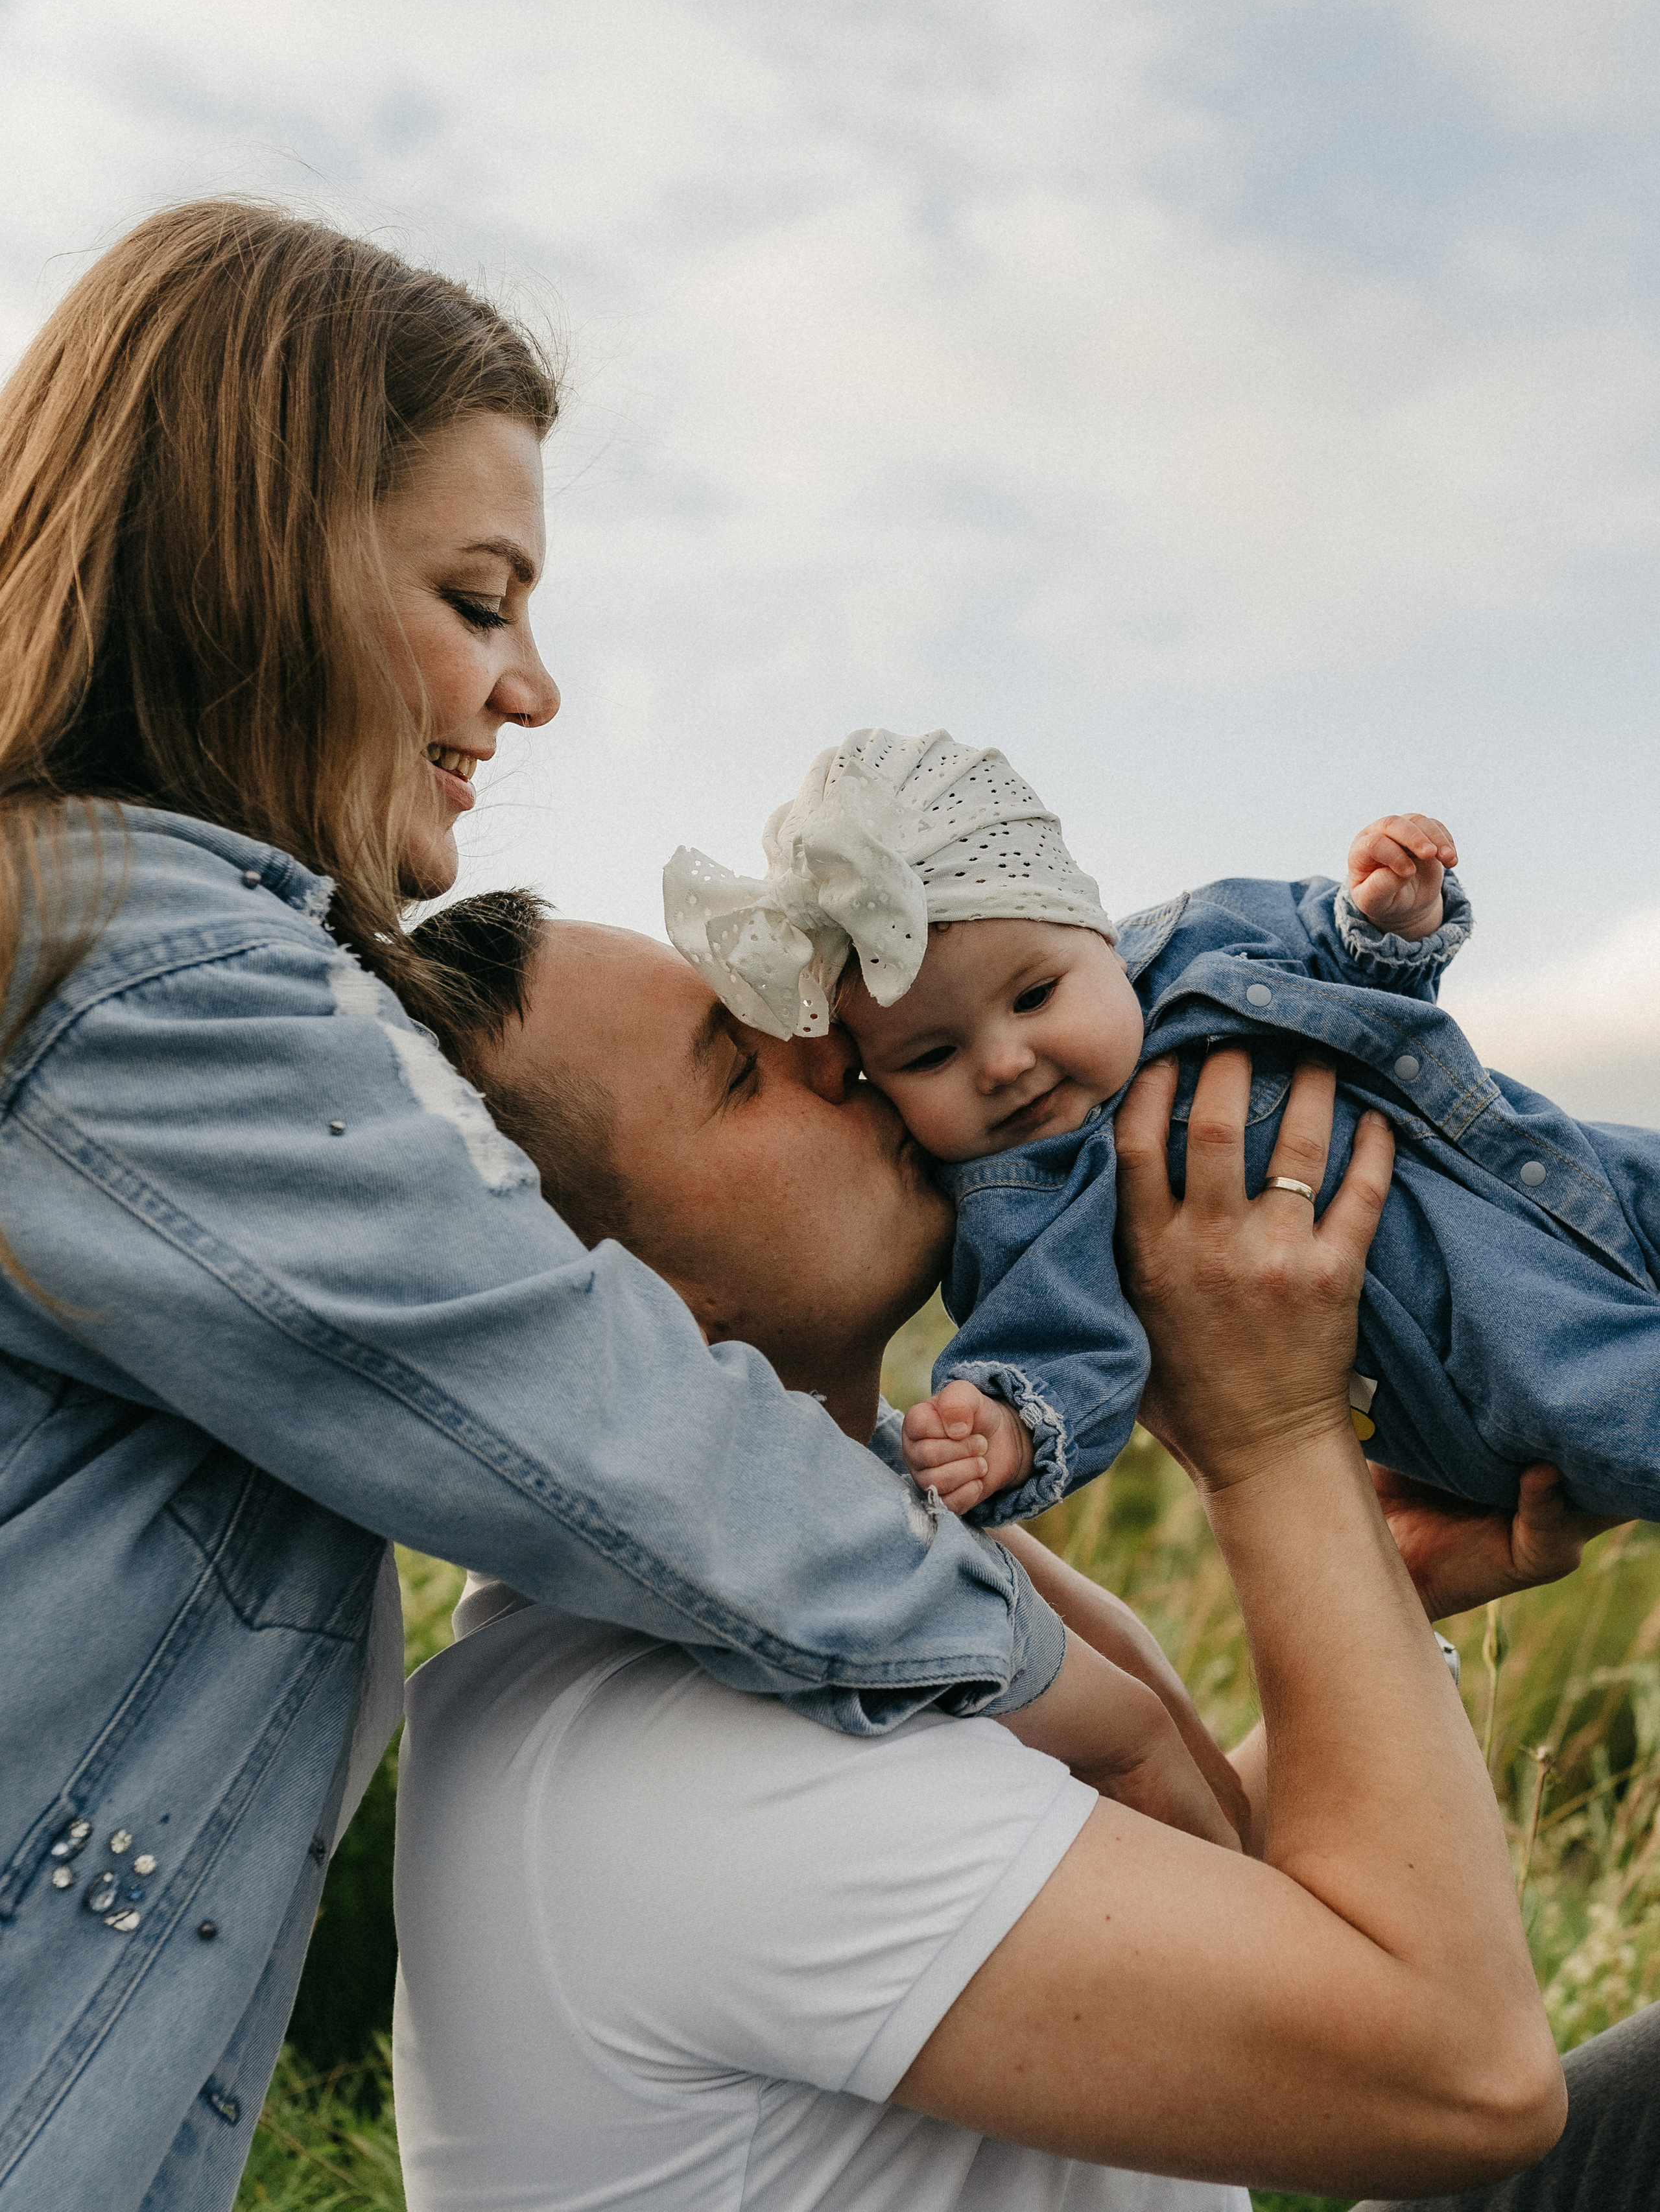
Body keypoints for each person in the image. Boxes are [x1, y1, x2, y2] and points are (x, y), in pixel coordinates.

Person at [0, 206, 1117, 2212]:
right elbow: (622, 1436)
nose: (533, 690)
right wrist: (1094, 1704)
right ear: (256, 568)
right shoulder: (144, 983)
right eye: (475, 598)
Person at [392, 892, 1588, 2209]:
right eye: (739, 1071)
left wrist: (1376, 1583)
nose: (834, 1046)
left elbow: (1222, 1887)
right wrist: (1273, 1439)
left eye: (781, 1013)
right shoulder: (674, 1756)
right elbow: (1467, 2075)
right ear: (633, 1302)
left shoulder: (858, 1548)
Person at [664, 726, 1652, 1533]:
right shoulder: (1025, 1196)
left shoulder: (1196, 942)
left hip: (1548, 1163)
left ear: (1098, 934)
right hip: (1484, 1344)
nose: (1003, 1062)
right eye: (932, 1056)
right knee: (1609, 1403)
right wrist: (1007, 1425)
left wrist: (1388, 916)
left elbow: (1337, 951)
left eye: (1035, 995)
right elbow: (1061, 1340)